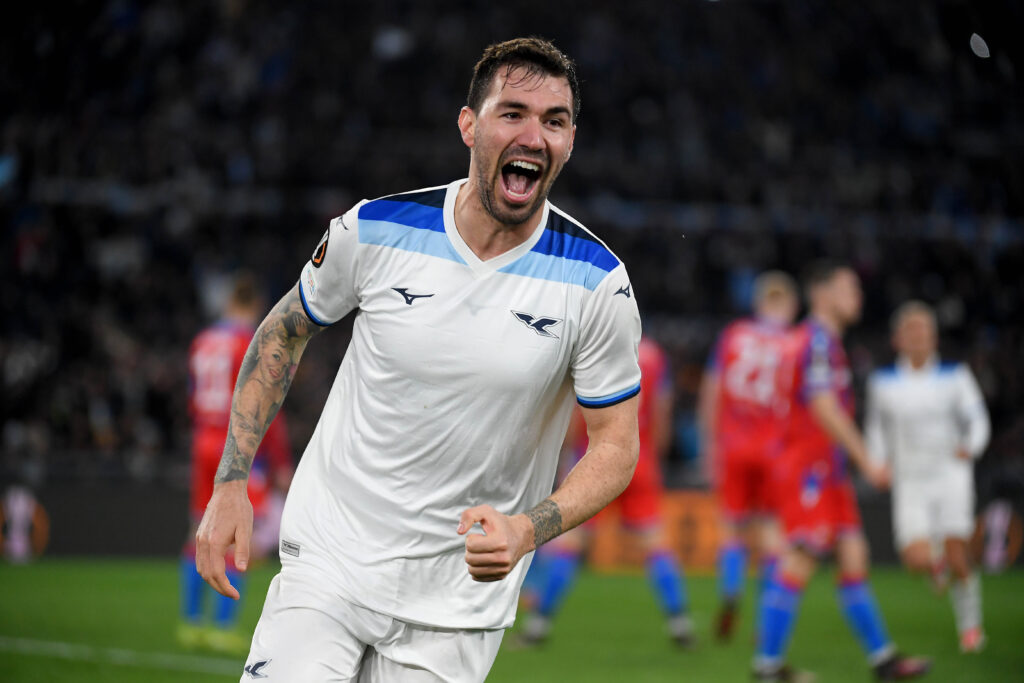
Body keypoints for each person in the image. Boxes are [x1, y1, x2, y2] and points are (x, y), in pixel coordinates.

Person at [195, 37, 643, 682]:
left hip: (458, 606)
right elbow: (281, 335)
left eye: (555, 120)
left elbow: (616, 447)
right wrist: (230, 482)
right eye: (512, 113)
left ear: (571, 141)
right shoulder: (375, 229)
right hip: (330, 562)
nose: (533, 135)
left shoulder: (598, 283)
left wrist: (527, 530)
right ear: (469, 125)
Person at [752, 261, 930, 682]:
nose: (858, 296)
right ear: (822, 293)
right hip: (808, 468)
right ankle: (766, 666)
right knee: (800, 557)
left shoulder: (820, 341)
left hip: (825, 469)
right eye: (849, 288)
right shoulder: (816, 340)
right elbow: (823, 407)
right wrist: (867, 460)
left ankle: (883, 660)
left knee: (853, 555)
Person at [517, 336, 695, 648]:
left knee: (570, 542)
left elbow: (576, 411)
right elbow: (662, 410)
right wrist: (652, 457)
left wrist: (568, 455)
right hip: (639, 458)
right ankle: (679, 621)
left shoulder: (595, 346)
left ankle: (538, 625)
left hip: (594, 459)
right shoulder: (654, 356)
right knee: (654, 542)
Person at [865, 301, 990, 652]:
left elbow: (977, 418)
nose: (917, 337)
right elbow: (876, 429)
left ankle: (971, 627)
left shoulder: (956, 375)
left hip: (950, 472)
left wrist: (971, 446)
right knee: (914, 558)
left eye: (923, 330)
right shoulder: (883, 382)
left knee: (956, 550)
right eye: (910, 330)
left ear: (934, 337)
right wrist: (878, 463)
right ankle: (937, 566)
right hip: (910, 478)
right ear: (897, 339)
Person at [181, 272, 293, 654]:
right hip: (235, 443)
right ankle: (223, 627)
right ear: (255, 305)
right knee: (240, 531)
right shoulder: (250, 339)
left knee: (199, 528)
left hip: (202, 438)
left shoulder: (203, 340)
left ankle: (191, 623)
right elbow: (264, 401)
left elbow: (192, 397)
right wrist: (279, 460)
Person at [698, 271, 798, 641]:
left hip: (733, 445)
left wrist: (709, 444)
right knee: (772, 533)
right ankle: (764, 619)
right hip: (775, 449)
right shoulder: (794, 342)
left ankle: (731, 590)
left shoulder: (733, 335)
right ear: (791, 304)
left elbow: (712, 390)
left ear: (758, 302)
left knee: (732, 528)